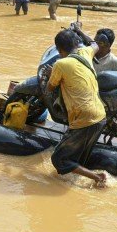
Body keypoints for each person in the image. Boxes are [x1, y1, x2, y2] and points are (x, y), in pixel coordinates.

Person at [43, 27, 107, 187]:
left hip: (84, 118)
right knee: (80, 155)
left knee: (58, 159)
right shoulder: (86, 53)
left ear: (59, 50)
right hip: (100, 115)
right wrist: (80, 30)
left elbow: (50, 88)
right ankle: (79, 175)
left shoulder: (61, 63)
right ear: (76, 43)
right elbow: (94, 44)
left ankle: (97, 177)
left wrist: (50, 75)